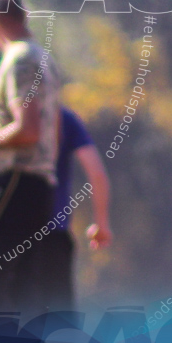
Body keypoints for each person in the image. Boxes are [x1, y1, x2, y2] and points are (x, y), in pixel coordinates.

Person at [0, 0, 60, 317]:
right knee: (21, 288)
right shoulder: (41, 58)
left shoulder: (19, 59)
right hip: (38, 185)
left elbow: (28, 130)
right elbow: (52, 130)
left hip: (15, 181)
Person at [43, 106, 113, 310]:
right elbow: (97, 173)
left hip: (13, 234)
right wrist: (101, 224)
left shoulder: (5, 118)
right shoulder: (63, 117)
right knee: (59, 320)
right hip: (56, 236)